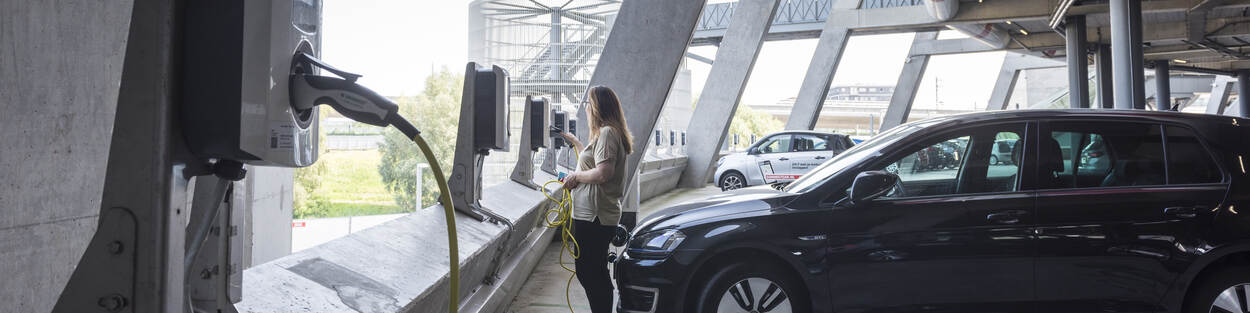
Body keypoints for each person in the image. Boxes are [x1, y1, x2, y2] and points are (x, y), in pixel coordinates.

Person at [560, 85, 634, 313]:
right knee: (596, 270)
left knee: (589, 271)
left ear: (597, 107)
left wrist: (575, 176)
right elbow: (594, 163)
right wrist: (577, 143)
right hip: (596, 214)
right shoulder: (607, 133)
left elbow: (603, 173)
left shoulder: (607, 133)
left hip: (595, 216)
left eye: (588, 104)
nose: (586, 109)